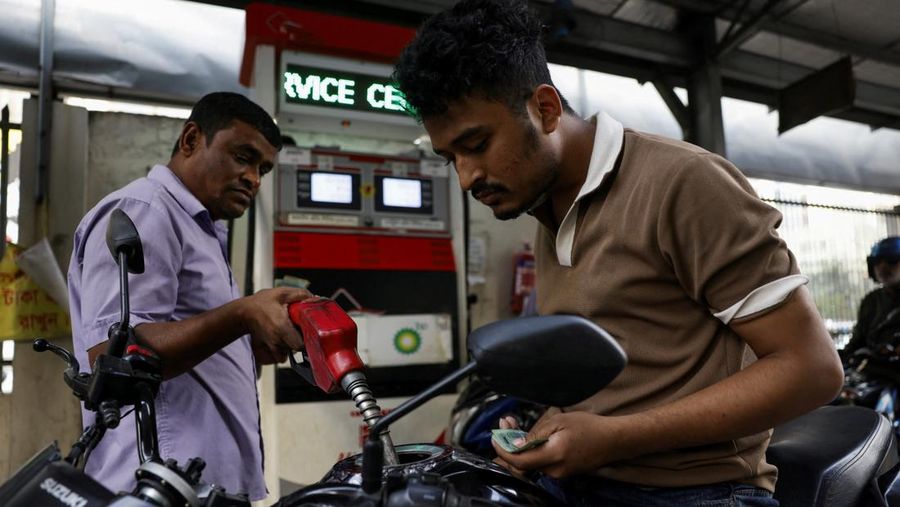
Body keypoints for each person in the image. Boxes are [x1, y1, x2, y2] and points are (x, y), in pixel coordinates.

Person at [393, 1, 844, 504]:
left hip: (700, 492)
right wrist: (549, 428)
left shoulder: (681, 182)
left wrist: (614, 437)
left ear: (545, 109)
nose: (465, 176)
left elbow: (812, 368)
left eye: (476, 144)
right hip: (586, 482)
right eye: (450, 157)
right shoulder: (547, 208)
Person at [68, 92, 310, 500]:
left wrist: (245, 346)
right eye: (243, 157)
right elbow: (114, 358)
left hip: (204, 485)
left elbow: (187, 339)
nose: (254, 178)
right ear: (191, 140)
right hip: (159, 485)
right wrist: (243, 314)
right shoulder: (147, 210)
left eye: (263, 168)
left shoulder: (201, 229)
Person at [842, 236, 900, 363]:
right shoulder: (871, 301)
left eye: (892, 260)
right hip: (875, 371)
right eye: (877, 261)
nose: (883, 267)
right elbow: (856, 342)